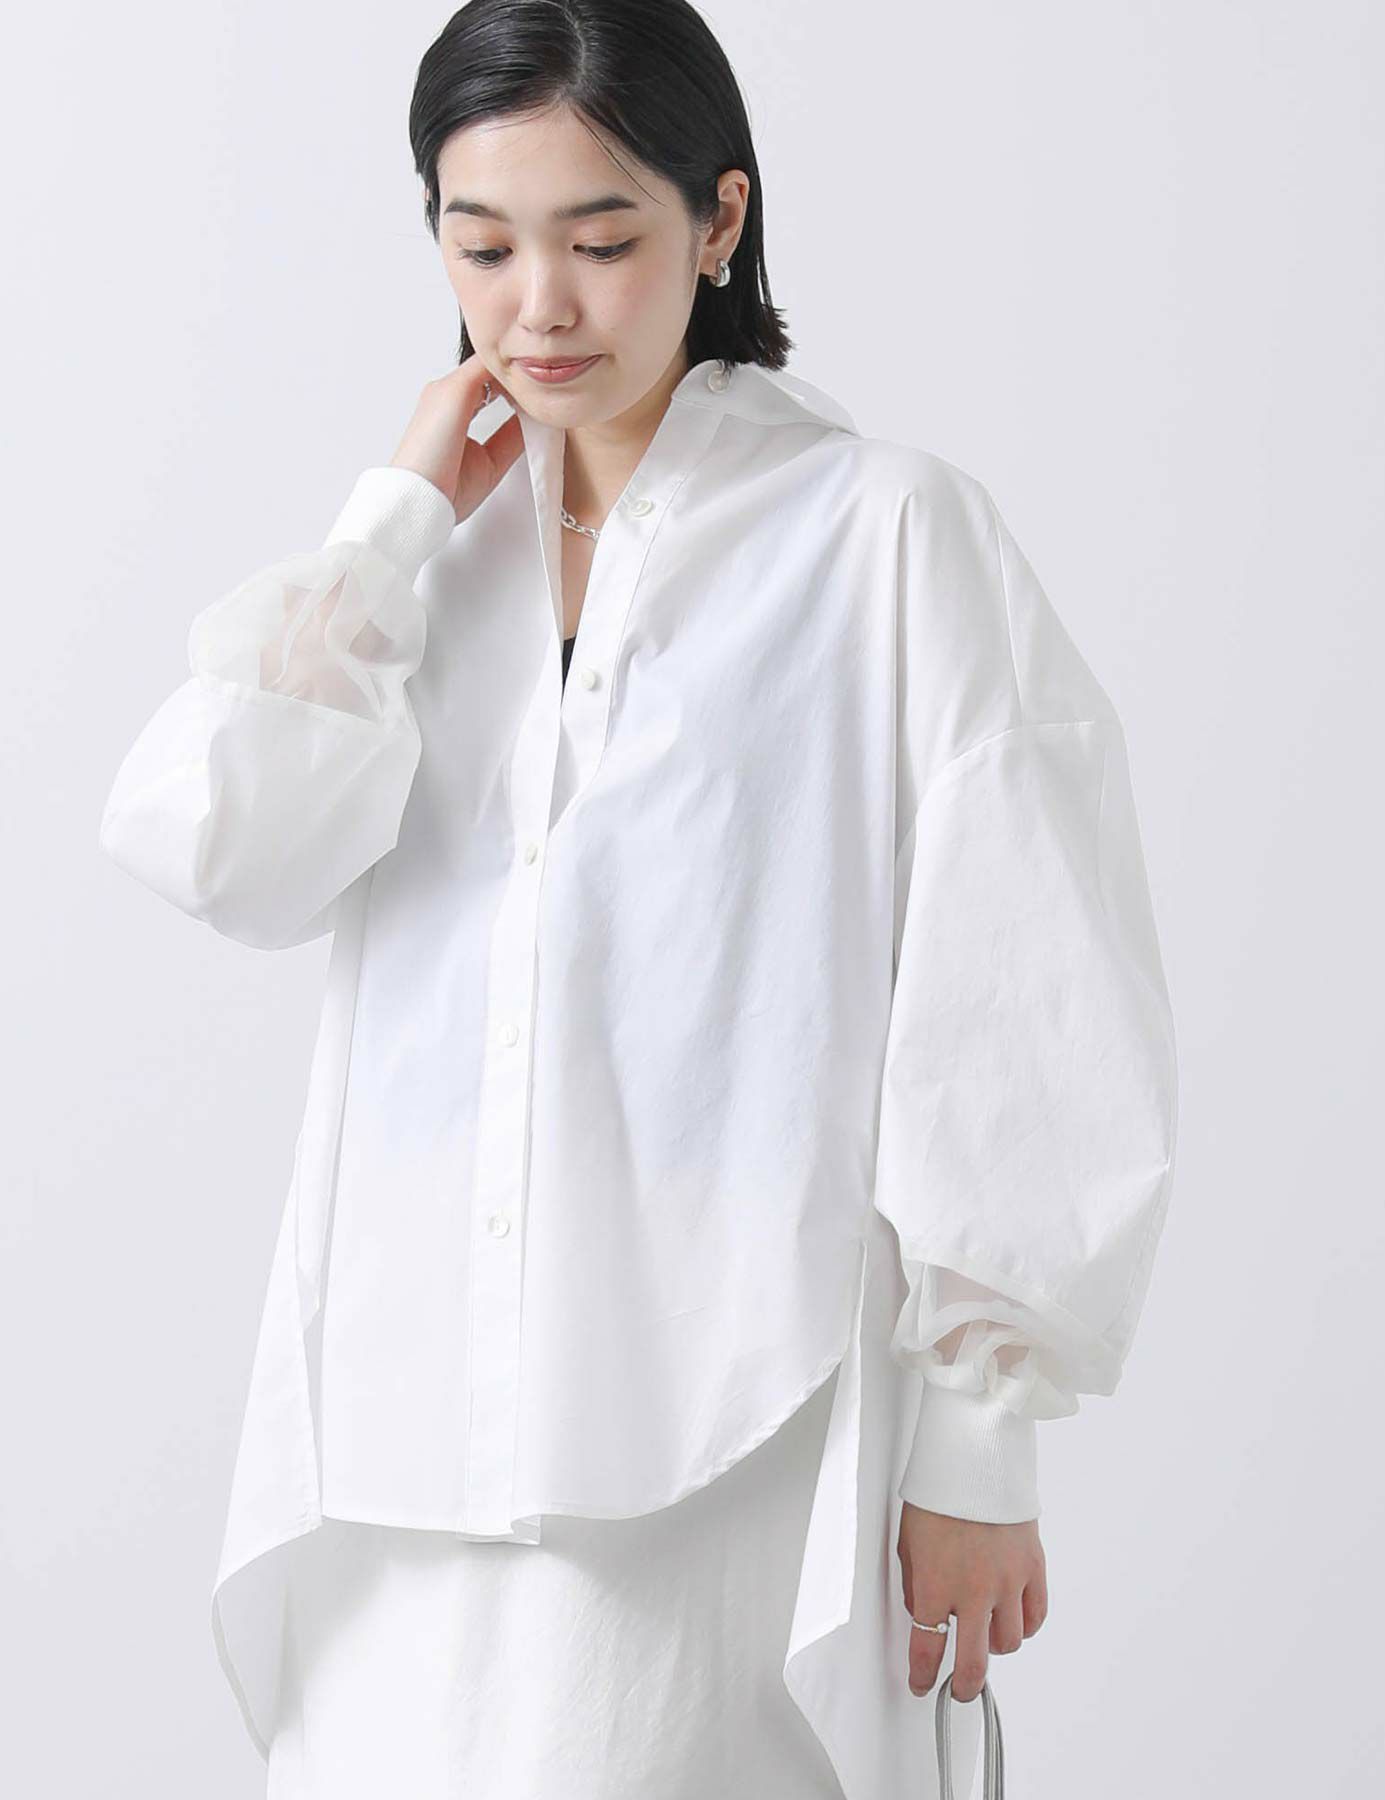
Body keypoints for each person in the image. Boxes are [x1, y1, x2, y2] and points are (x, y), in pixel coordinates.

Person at [97, 2, 1179, 1796]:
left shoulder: (884, 537)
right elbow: (218, 848)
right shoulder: (418, 581)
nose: (539, 306)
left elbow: (1019, 984)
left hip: (732, 1422)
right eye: (482, 246)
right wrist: (390, 521)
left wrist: (980, 1442)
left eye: (600, 241)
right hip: (393, 1439)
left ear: (718, 218)